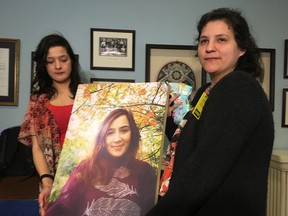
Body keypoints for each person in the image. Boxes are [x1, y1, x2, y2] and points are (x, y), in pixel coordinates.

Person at [146, 7, 274, 216]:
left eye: (221, 40)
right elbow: (199, 144)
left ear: (241, 48)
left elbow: (204, 169)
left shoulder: (239, 88)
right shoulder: (207, 91)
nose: (209, 48)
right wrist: (168, 120)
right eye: (204, 41)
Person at [46, 108, 157, 216]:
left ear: (132, 133)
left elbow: (151, 209)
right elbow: (63, 206)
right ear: (102, 137)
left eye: (124, 130)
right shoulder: (87, 167)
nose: (117, 139)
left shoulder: (144, 170)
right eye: (110, 132)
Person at [18, 33, 81, 215]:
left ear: (72, 61)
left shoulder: (89, 95)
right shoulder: (37, 102)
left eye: (63, 59)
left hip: (88, 176)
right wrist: (47, 182)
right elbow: (37, 147)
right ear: (43, 66)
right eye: (50, 61)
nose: (58, 66)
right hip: (52, 181)